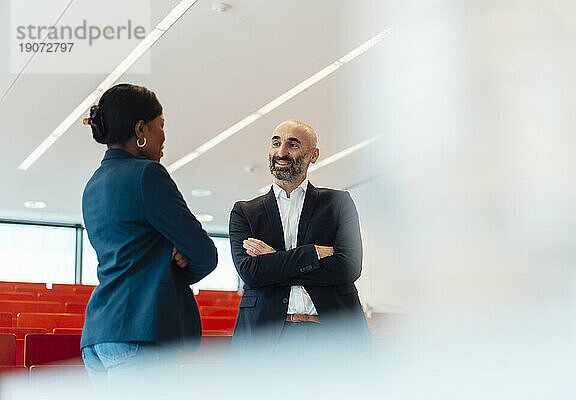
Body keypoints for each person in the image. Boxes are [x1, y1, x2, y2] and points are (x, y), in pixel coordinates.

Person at [80, 83, 218, 385]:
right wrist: (176, 261)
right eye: (161, 126)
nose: (164, 136)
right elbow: (205, 253)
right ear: (141, 128)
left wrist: (162, 255)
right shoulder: (147, 174)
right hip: (138, 332)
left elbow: (132, 248)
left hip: (98, 335)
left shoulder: (93, 184)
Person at [229, 120, 370, 353]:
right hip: (266, 339)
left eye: (292, 145)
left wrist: (275, 261)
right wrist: (312, 254)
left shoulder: (338, 203)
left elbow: (348, 267)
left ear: (313, 155)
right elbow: (251, 273)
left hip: (333, 336)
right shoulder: (245, 212)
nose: (281, 152)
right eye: (276, 143)